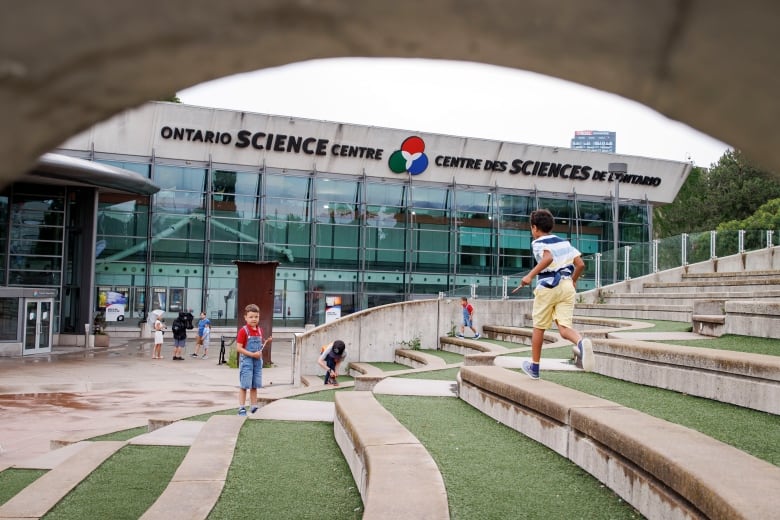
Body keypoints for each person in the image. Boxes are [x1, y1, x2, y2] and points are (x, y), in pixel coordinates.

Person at [511, 208, 593, 379]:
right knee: (564, 328)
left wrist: (529, 276)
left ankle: (534, 367)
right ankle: (581, 343)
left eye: (531, 228)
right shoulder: (565, 243)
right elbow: (580, 264)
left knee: (539, 327)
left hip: (548, 286)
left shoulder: (539, 242)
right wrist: (573, 280)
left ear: (534, 227)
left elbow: (547, 258)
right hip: (566, 286)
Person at [236, 303, 272, 416]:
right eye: (251, 317)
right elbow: (238, 348)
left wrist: (266, 342)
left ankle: (254, 406)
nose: (254, 319)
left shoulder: (260, 330)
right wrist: (252, 355)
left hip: (257, 361)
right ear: (245, 317)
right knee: (244, 385)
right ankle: (241, 407)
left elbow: (259, 347)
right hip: (247, 361)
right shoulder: (243, 331)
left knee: (254, 385)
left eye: (256, 317)